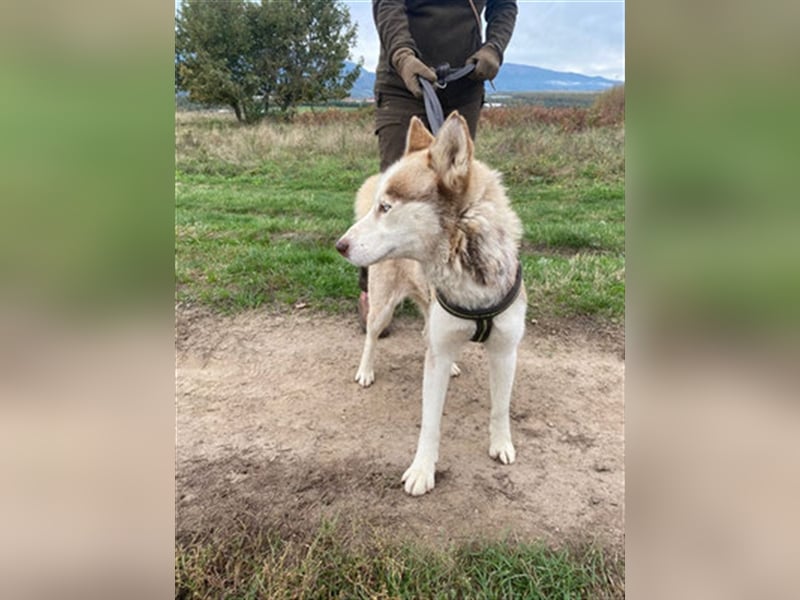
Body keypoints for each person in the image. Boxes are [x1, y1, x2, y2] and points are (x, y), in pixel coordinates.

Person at [358, 0, 518, 331]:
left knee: (453, 192)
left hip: (465, 82)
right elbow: (388, 4)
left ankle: (445, 294)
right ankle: (373, 290)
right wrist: (403, 57)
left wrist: (494, 49)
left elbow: (504, 6)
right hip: (403, 81)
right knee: (393, 191)